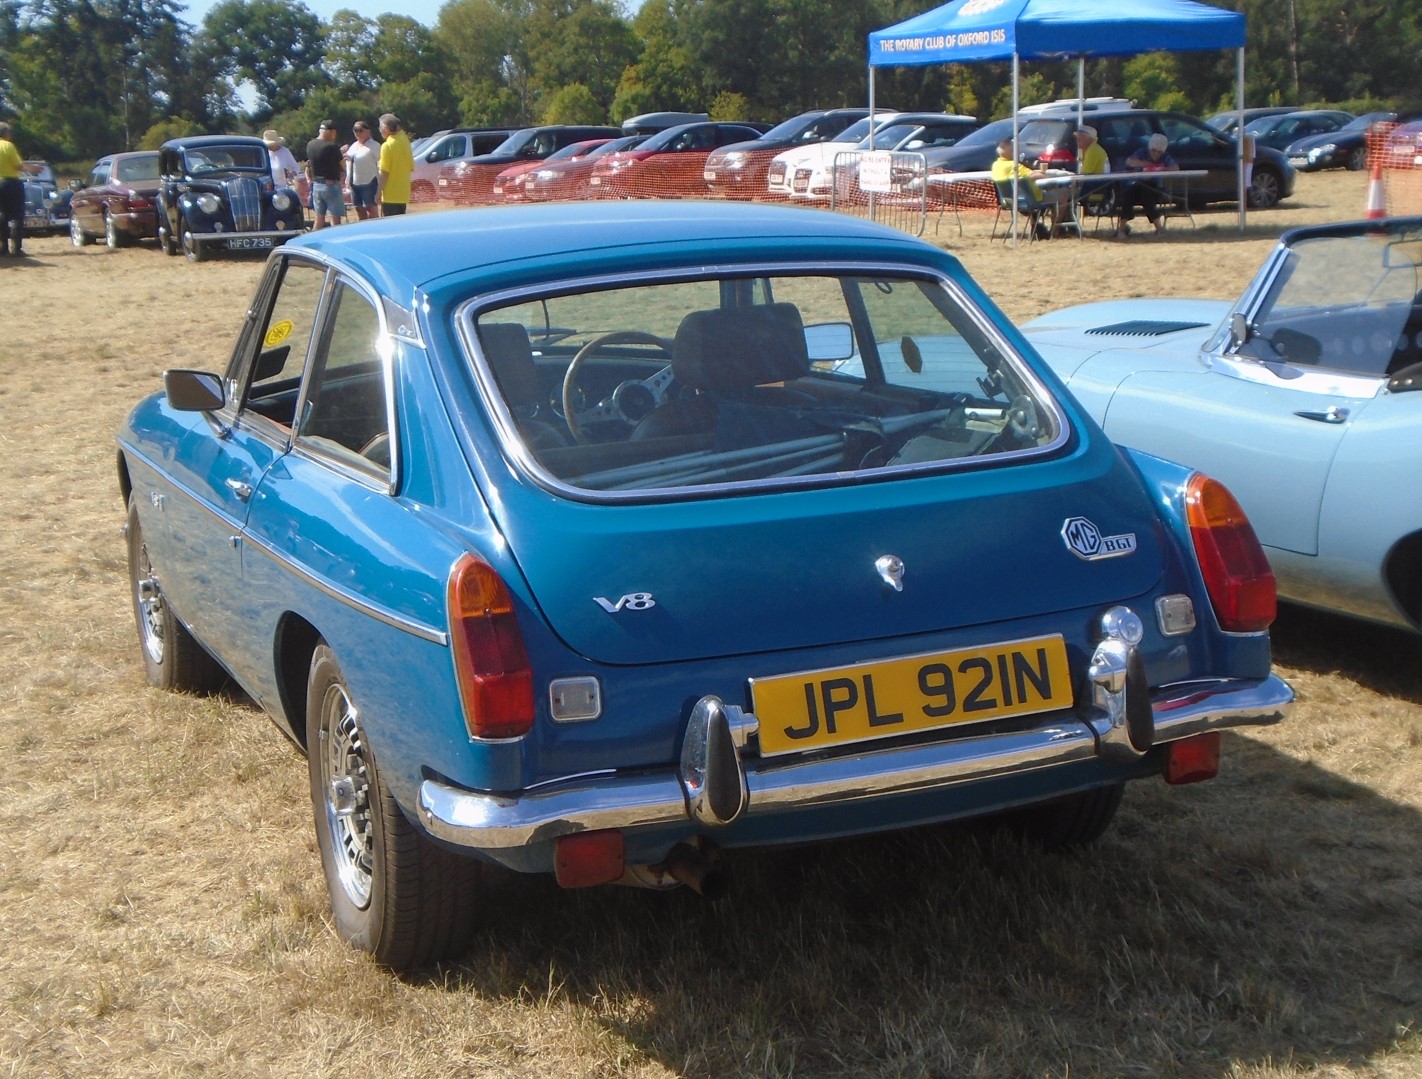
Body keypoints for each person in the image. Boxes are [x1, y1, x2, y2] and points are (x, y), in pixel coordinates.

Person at [990, 137, 1070, 238]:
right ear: (1011, 151)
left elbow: (1027, 173)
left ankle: (1036, 226)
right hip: (1031, 199)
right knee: (1063, 194)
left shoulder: (995, 165)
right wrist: (1048, 176)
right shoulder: (1014, 166)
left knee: (1033, 193)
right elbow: (1032, 175)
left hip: (1009, 200)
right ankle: (1055, 231)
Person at [1118, 131, 1179, 238]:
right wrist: (1146, 164)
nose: (1156, 154)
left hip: (1156, 186)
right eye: (1154, 151)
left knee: (1147, 195)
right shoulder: (1142, 152)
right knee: (1127, 195)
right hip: (1137, 184)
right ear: (1150, 148)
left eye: (1159, 152)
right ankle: (1121, 230)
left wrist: (1162, 168)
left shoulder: (1165, 157)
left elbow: (1175, 168)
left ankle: (1159, 228)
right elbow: (1129, 161)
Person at [0, 122, 41, 257]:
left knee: (2, 216)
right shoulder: (8, 146)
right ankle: (16, 248)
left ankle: (3, 247)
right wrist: (33, 169)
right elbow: (18, 166)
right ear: (5, 133)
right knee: (18, 216)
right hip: (10, 182)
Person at [305, 119, 346, 229]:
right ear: (331, 132)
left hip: (317, 185)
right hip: (331, 184)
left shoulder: (310, 145)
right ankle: (336, 240)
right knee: (335, 218)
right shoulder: (331, 146)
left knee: (319, 218)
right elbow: (343, 166)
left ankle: (313, 239)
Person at [376, 112, 414, 217]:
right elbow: (411, 167)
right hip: (403, 193)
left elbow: (384, 172)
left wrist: (378, 192)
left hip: (390, 195)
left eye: (380, 127)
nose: (380, 130)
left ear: (387, 128)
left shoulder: (387, 146)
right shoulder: (405, 140)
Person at [344, 120, 380, 221]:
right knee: (358, 208)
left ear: (368, 131)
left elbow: (378, 160)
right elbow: (348, 163)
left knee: (370, 207)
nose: (358, 133)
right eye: (355, 130)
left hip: (369, 181)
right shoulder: (353, 146)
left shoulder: (374, 145)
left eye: (360, 130)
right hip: (354, 183)